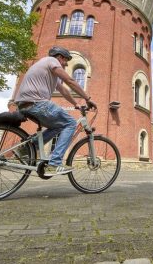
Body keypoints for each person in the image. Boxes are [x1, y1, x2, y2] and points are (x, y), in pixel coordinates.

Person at [15, 46, 97, 176]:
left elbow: (63, 90)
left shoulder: (45, 66)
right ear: (60, 57)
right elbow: (69, 81)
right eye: (65, 61)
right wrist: (87, 98)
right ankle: (55, 164)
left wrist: (76, 104)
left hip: (24, 104)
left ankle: (27, 147)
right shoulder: (51, 61)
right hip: (37, 103)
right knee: (70, 123)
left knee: (58, 126)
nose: (65, 65)